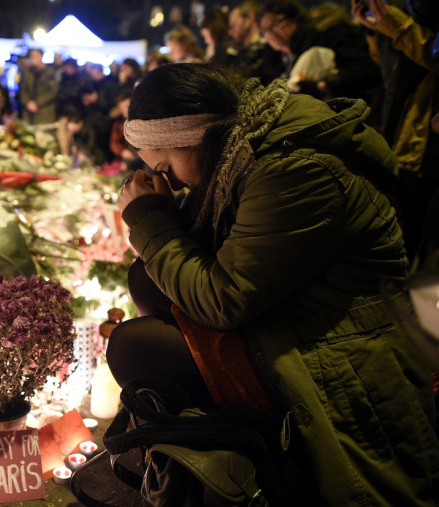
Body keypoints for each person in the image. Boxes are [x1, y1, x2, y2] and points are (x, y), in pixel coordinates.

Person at [108, 63, 439, 505]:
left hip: (336, 346)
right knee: (145, 282)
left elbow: (224, 299)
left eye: (167, 167)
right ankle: (196, 464)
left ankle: (221, 469)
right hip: (290, 317)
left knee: (135, 344)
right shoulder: (240, 156)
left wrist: (149, 221)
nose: (170, 182)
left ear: (198, 135)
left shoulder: (297, 170)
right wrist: (162, 216)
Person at [353, 0, 439, 265]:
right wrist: (375, 28)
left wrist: (392, 23)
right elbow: (394, 67)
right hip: (406, 124)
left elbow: (432, 53)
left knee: (420, 228)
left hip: (424, 139)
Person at [260, 0, 380, 101]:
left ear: (295, 20)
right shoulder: (274, 63)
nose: (271, 34)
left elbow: (364, 70)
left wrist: (321, 87)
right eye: (265, 31)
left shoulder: (328, 36)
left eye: (275, 25)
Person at [228, 0, 285, 83]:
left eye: (234, 24)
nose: (230, 31)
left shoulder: (268, 54)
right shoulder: (241, 53)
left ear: (250, 18)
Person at [18, 48, 58, 125]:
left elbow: (53, 91)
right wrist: (28, 103)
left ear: (41, 56)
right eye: (31, 56)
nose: (33, 58)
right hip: (28, 113)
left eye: (35, 56)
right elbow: (23, 91)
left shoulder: (50, 72)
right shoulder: (28, 73)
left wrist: (37, 103)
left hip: (44, 113)